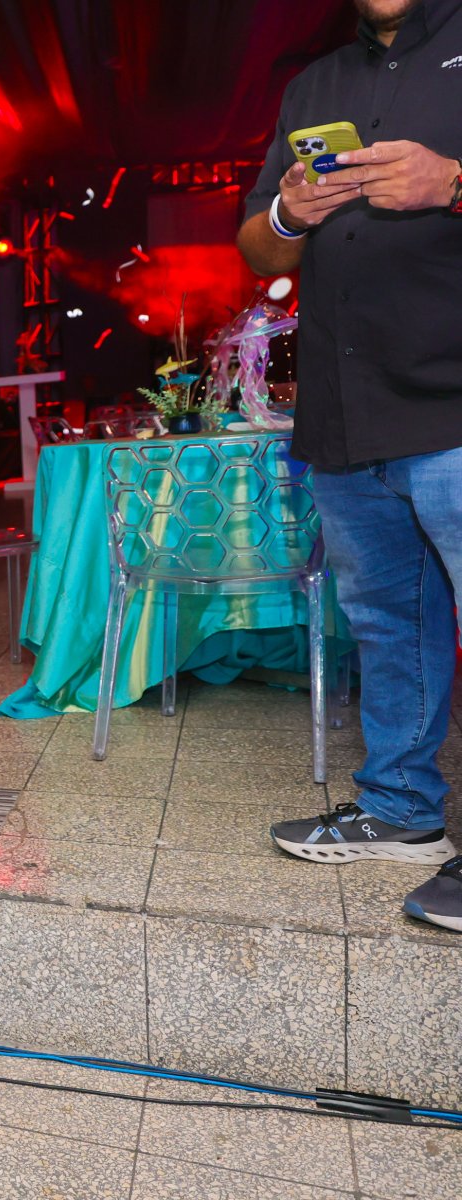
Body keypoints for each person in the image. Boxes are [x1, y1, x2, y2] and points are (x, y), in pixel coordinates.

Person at [238, 0, 462, 933]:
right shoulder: (312, 83)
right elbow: (256, 243)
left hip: (453, 400)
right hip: (344, 407)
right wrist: (289, 212)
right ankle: (402, 809)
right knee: (386, 622)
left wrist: (454, 181)